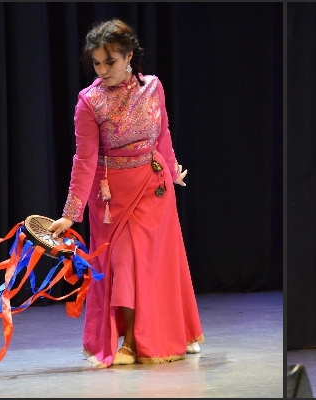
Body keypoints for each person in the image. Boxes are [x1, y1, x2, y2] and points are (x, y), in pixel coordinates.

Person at [47, 19, 204, 368]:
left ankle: (170, 334)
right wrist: (70, 214)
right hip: (111, 198)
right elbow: (84, 160)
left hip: (153, 187)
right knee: (123, 264)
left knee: (155, 264)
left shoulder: (154, 87)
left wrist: (172, 170)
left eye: (110, 61)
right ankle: (130, 341)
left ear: (129, 56)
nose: (103, 70)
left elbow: (162, 134)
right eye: (97, 63)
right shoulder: (89, 102)